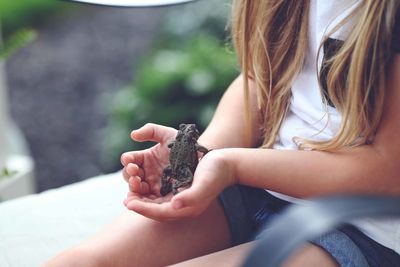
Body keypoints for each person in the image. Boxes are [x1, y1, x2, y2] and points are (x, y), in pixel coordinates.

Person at [45, 0, 400, 266]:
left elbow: (388, 173)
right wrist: (204, 157)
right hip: (257, 189)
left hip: (360, 224)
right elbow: (260, 82)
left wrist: (233, 165)